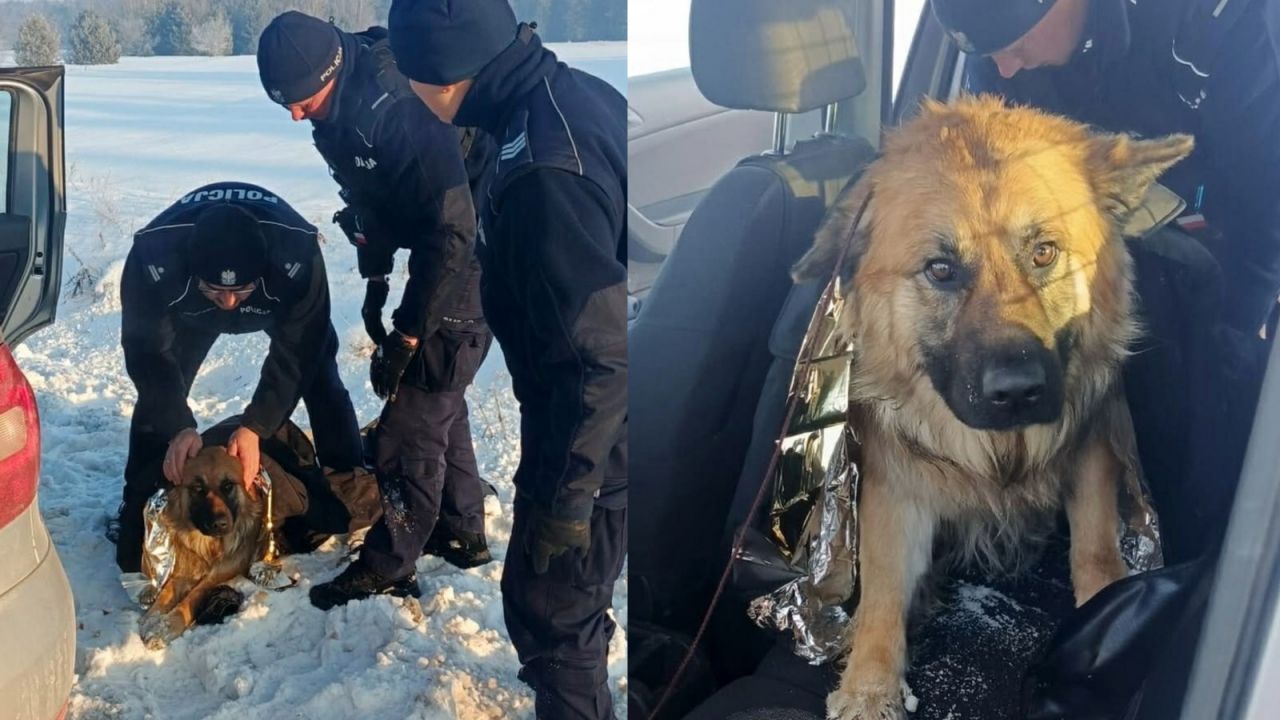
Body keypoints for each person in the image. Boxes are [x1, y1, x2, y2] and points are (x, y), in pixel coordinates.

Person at [929, 0, 1280, 562]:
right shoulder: (999, 56)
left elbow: (1265, 201)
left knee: (1199, 454)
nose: (1008, 67)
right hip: (1075, 267)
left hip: (1201, 271)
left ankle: (1188, 580)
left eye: (1015, 44)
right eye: (985, 54)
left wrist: (1238, 326)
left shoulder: (1207, 24)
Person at [388, 1, 628, 717]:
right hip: (586, 421)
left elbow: (601, 360)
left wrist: (567, 499)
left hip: (592, 440)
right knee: (566, 608)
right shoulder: (562, 95)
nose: (408, 93)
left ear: (443, 70)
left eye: (411, 75)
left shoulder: (542, 173)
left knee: (551, 614)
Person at [255, 12, 498, 608]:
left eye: (301, 99)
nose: (293, 113)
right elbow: (375, 196)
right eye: (281, 102)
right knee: (439, 393)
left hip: (478, 240)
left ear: (331, 73)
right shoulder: (335, 106)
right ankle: (462, 530)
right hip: (441, 237)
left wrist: (410, 332)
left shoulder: (401, 106)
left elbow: (453, 231)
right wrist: (375, 274)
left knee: (409, 422)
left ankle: (391, 563)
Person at [115, 181, 362, 573]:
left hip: (274, 304)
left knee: (322, 380)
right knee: (158, 403)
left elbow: (298, 353)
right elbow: (147, 355)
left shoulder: (296, 254)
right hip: (189, 310)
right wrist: (178, 425)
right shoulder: (154, 256)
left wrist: (255, 427)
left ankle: (349, 479)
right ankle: (136, 503)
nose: (229, 303)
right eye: (218, 290)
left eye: (239, 290)